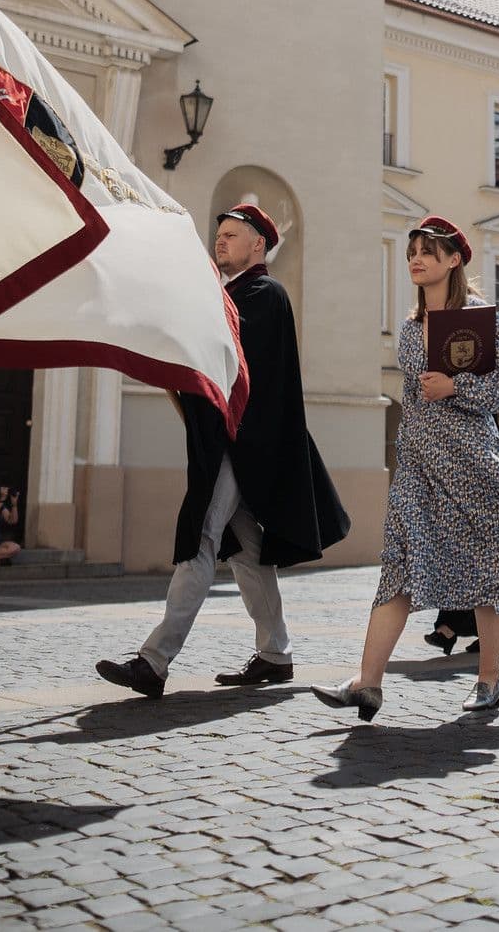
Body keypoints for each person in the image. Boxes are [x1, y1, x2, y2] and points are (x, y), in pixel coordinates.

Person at [314, 218, 499, 719]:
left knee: (486, 570)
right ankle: (367, 683)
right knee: (398, 566)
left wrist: (456, 387)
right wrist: (407, 450)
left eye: (427, 252)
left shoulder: (480, 320)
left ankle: (490, 678)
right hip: (418, 466)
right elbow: (414, 399)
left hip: (472, 462)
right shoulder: (410, 328)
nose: (416, 259)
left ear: (454, 259)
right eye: (412, 252)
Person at [96, 203, 351, 699]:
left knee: (202, 537)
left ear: (259, 245)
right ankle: (275, 654)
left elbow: (230, 358)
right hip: (228, 444)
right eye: (220, 234)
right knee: (247, 554)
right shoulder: (228, 295)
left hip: (242, 446)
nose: (221, 241)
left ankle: (154, 661)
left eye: (232, 235)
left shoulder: (264, 295)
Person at [425, 389, 499, 657]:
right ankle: (453, 628)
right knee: (463, 561)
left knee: (489, 568)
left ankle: (470, 632)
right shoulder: (467, 391)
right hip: (473, 493)